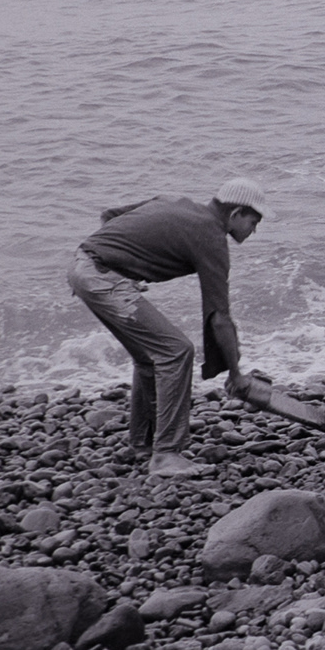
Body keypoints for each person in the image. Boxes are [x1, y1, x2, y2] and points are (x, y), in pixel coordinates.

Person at [68, 179, 265, 479]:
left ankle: (143, 444)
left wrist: (122, 263)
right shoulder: (210, 236)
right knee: (176, 351)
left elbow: (110, 216)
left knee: (150, 356)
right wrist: (236, 374)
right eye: (254, 222)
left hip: (83, 266)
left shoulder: (174, 201)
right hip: (101, 277)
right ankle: (166, 455)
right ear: (236, 213)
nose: (254, 231)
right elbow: (219, 317)